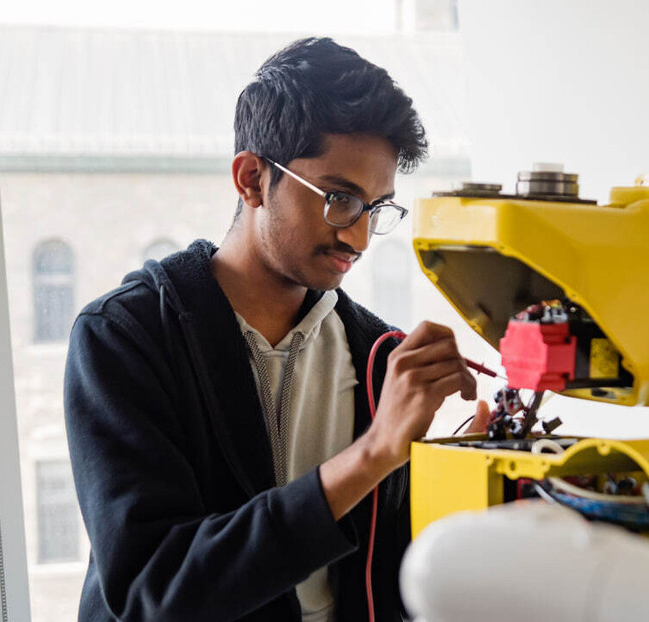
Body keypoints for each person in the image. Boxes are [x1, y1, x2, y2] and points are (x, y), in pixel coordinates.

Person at [64, 37, 490, 622]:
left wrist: (470, 475)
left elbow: (387, 571)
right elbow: (153, 593)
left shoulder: (377, 357)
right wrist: (373, 454)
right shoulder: (123, 338)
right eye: (339, 198)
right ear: (251, 179)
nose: (358, 238)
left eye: (377, 207)